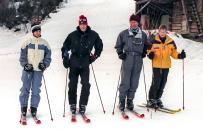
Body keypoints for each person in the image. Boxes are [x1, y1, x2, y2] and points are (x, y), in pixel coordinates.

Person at [61, 15, 103, 115]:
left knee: (86, 84)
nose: (83, 26)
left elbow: (99, 45)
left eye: (84, 24)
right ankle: (72, 104)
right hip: (74, 62)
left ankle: (83, 105)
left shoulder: (93, 35)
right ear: (79, 24)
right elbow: (65, 47)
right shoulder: (72, 35)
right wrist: (65, 57)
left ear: (87, 24)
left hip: (85, 62)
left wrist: (95, 55)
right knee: (72, 84)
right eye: (81, 24)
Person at [115, 14, 150, 112]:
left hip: (138, 59)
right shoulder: (124, 33)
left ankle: (130, 100)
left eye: (135, 22)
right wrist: (120, 53)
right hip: (127, 58)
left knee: (134, 81)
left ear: (138, 23)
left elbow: (148, 45)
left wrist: (144, 52)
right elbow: (118, 45)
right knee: (125, 81)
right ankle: (122, 101)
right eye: (131, 22)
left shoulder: (143, 35)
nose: (133, 24)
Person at [147, 24, 186, 108]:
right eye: (161, 31)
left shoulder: (170, 41)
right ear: (159, 31)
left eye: (164, 32)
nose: (162, 33)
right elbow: (149, 50)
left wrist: (180, 55)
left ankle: (157, 98)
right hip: (156, 65)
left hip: (166, 65)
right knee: (156, 82)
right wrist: (150, 54)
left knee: (163, 83)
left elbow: (173, 53)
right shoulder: (154, 40)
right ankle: (151, 100)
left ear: (166, 32)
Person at [19, 23, 52, 121]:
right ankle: (23, 109)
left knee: (36, 90)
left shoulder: (45, 43)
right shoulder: (27, 42)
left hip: (38, 71)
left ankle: (33, 109)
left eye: (39, 30)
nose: (38, 32)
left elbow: (48, 57)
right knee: (25, 89)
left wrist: (44, 64)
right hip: (28, 70)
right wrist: (25, 64)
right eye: (36, 30)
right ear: (33, 32)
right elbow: (22, 56)